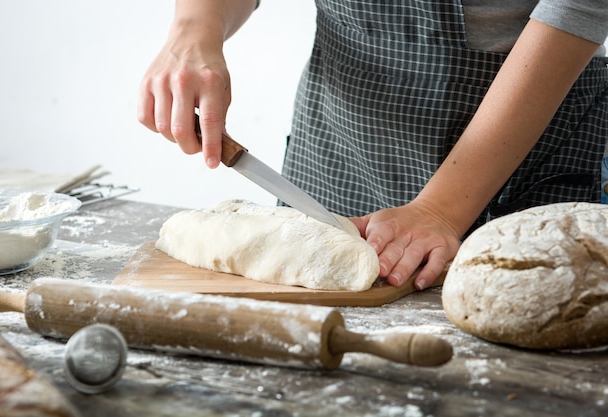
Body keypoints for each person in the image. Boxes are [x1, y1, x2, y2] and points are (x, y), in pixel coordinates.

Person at [138, 1, 608, 291]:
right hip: (338, 147)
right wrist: (194, 29)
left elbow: (578, 6)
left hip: (524, 138)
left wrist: (442, 210)